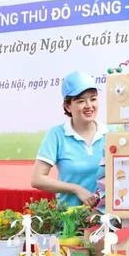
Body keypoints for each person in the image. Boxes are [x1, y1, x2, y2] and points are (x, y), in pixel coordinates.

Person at [31, 71, 107, 207]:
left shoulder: (110, 133)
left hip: (106, 219)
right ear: (68, 106)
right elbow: (37, 179)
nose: (89, 105)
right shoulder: (56, 135)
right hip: (69, 219)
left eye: (93, 99)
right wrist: (76, 189)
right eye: (81, 101)